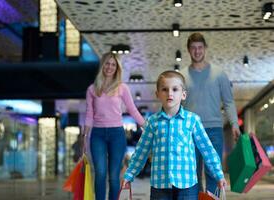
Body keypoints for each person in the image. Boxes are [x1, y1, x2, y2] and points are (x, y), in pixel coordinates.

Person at [123, 70, 226, 200]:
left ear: (183, 95)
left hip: (187, 184)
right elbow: (141, 151)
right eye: (165, 89)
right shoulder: (152, 122)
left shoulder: (192, 120)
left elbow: (207, 150)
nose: (170, 93)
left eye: (175, 89)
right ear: (158, 94)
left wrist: (218, 174)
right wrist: (129, 175)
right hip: (160, 184)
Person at [180, 32, 240, 194]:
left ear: (205, 49)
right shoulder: (182, 76)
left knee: (213, 172)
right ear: (188, 50)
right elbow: (177, 105)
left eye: (200, 47)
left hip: (214, 130)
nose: (197, 51)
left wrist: (234, 124)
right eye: (193, 48)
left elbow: (228, 101)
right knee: (192, 174)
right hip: (190, 131)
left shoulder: (219, 74)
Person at [83, 52, 145, 200]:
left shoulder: (122, 88)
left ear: (117, 68)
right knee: (100, 172)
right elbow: (89, 114)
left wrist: (146, 126)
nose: (110, 67)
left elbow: (132, 109)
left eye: (113, 65)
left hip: (117, 134)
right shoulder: (92, 89)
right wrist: (84, 137)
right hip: (97, 135)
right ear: (102, 65)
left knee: (113, 176)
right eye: (107, 64)